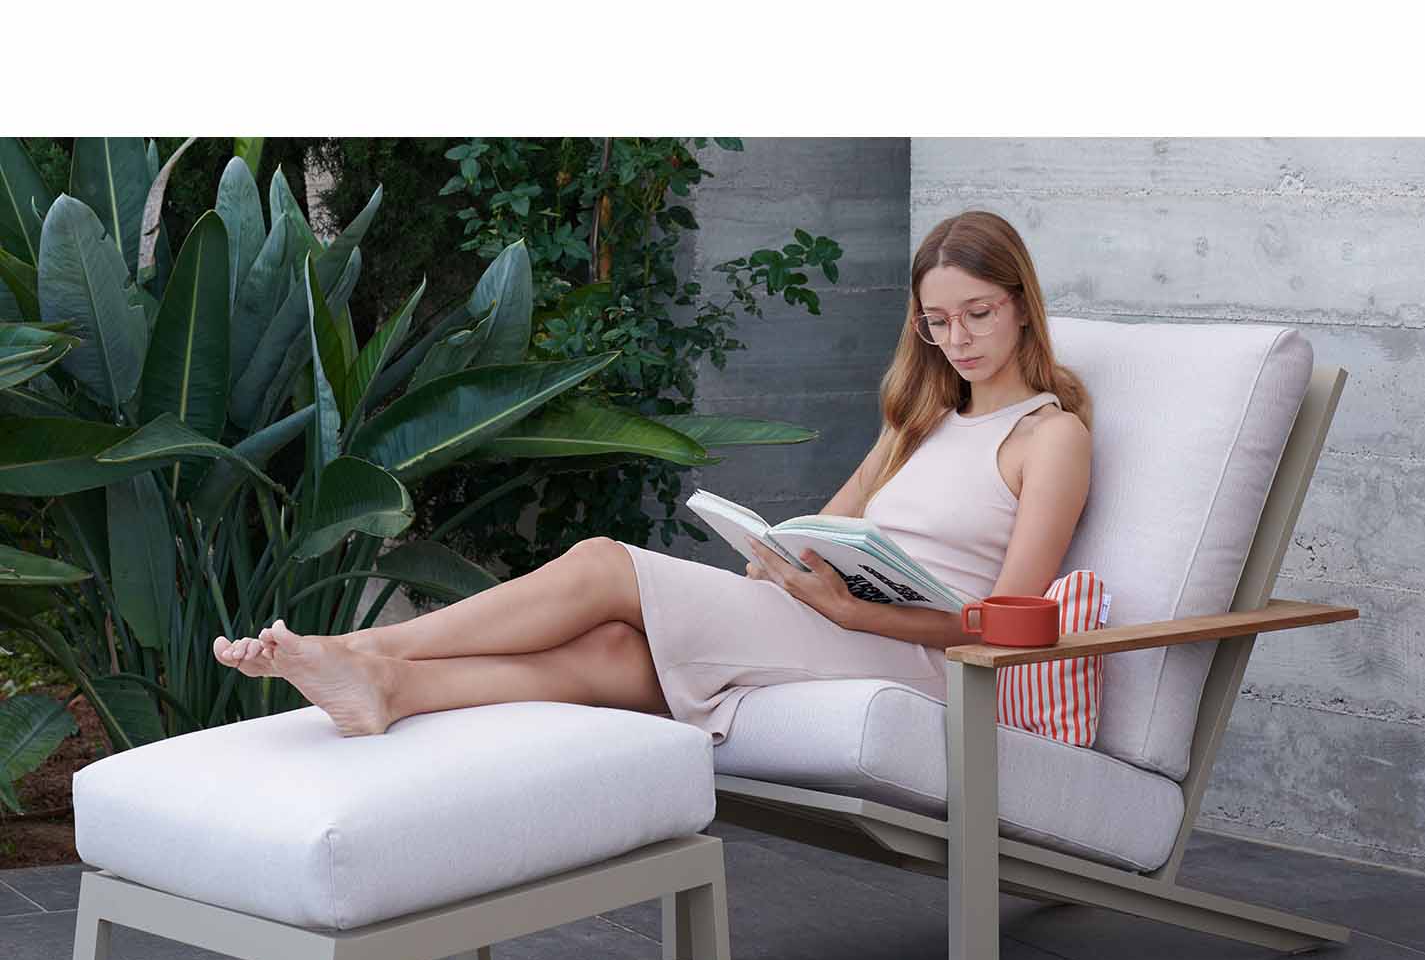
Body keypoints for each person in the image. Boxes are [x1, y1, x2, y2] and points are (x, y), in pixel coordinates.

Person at [212, 209, 1093, 740]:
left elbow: (1011, 622)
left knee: (603, 563)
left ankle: (365, 649)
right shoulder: (918, 420)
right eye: (937, 321)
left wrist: (850, 610)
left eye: (978, 313)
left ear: (1021, 305)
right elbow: (817, 537)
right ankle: (389, 691)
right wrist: (777, 559)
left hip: (923, 663)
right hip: (834, 621)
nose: (957, 338)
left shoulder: (1047, 437)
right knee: (609, 653)